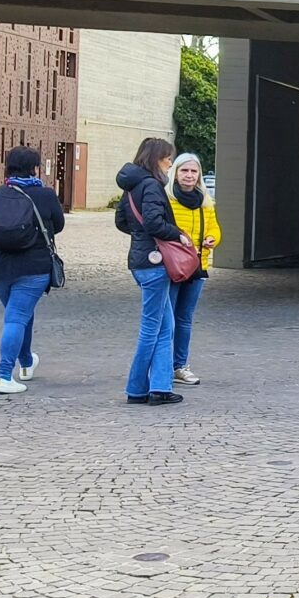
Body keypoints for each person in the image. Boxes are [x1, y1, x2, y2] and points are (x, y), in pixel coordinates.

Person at [115, 137, 192, 405]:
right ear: (156, 159)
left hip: (140, 261)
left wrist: (139, 237)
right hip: (154, 263)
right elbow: (153, 223)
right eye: (168, 158)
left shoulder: (131, 185)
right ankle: (137, 388)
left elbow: (121, 221)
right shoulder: (151, 185)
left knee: (164, 327)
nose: (170, 163)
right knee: (151, 328)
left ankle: (159, 387)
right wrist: (177, 234)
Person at [0, 146, 65, 394]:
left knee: (19, 314)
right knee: (17, 317)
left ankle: (27, 363)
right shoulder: (46, 195)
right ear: (34, 168)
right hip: (33, 267)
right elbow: (59, 225)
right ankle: (3, 376)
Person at [165, 153, 222, 386]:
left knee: (184, 319)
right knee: (166, 318)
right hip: (172, 266)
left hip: (197, 267)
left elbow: (214, 228)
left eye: (193, 171)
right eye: (184, 170)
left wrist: (212, 238)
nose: (189, 175)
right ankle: (162, 366)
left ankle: (180, 366)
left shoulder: (205, 201)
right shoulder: (166, 199)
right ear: (175, 173)